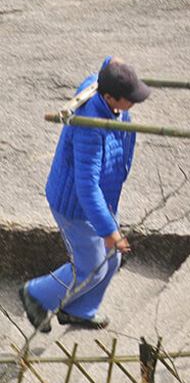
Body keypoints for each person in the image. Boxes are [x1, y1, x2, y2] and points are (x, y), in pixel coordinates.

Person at [19, 56, 150, 333]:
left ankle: (77, 309)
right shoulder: (89, 127)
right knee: (91, 266)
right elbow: (87, 187)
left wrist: (115, 62)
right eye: (129, 99)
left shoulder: (100, 86)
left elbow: (107, 64)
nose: (134, 103)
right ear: (110, 97)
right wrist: (108, 231)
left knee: (111, 260)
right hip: (76, 207)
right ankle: (36, 294)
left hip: (102, 199)